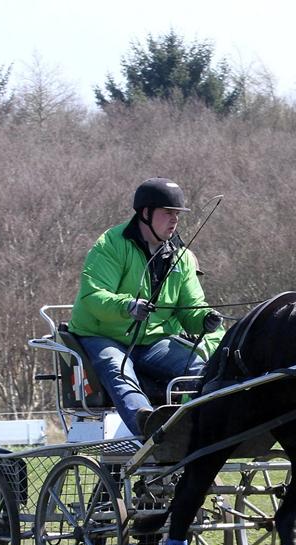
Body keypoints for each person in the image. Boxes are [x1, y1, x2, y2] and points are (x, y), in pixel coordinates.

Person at [68, 177, 223, 436]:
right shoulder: (111, 244)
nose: (174, 220)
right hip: (104, 335)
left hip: (153, 341)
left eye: (177, 214)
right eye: (168, 213)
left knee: (203, 370)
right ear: (146, 213)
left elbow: (192, 307)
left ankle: (198, 432)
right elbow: (92, 297)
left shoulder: (182, 257)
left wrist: (204, 319)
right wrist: (127, 306)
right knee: (119, 370)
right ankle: (150, 430)